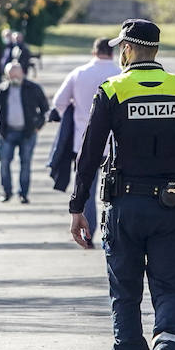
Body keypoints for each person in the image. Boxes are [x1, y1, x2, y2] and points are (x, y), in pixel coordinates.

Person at [69, 19, 175, 350]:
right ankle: (167, 343)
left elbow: (90, 152)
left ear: (128, 50)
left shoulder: (113, 90)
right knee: (169, 287)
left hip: (123, 208)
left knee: (126, 295)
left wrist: (77, 206)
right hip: (169, 208)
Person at [50, 37, 118, 244]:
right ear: (113, 53)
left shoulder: (78, 73)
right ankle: (113, 231)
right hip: (114, 143)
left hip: (83, 141)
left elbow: (59, 102)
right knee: (115, 190)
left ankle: (88, 232)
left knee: (86, 188)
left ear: (93, 52)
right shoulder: (119, 74)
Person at [0, 62, 49, 204]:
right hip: (7, 132)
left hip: (27, 133)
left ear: (22, 73)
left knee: (25, 163)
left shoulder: (33, 88)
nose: (14, 77)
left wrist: (38, 126)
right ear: (7, 76)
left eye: (16, 74)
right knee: (4, 162)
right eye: (11, 75)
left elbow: (45, 109)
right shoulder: (2, 90)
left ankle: (23, 193)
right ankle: (6, 191)